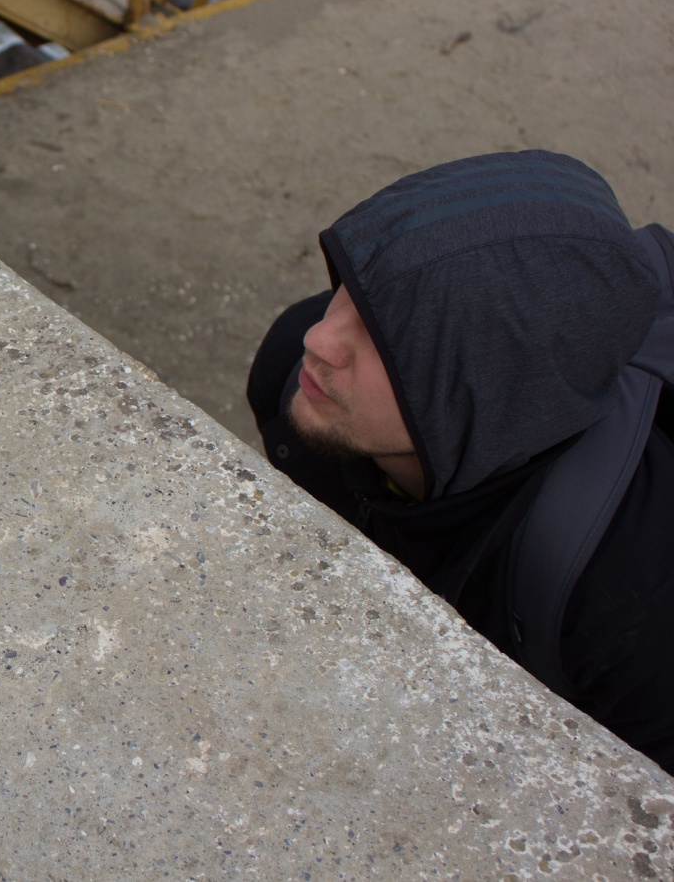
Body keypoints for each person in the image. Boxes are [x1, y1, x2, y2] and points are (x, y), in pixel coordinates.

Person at [247, 150, 674, 772]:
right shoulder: (300, 376)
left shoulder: (630, 602)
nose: (321, 338)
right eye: (349, 289)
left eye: (389, 341)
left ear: (492, 393)